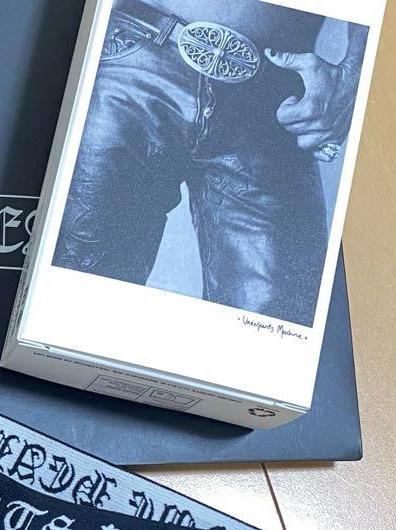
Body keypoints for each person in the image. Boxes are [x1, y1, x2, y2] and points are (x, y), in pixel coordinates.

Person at [53, 0, 369, 326]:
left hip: (273, 101)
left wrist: (355, 76)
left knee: (278, 330)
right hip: (133, 56)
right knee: (69, 307)